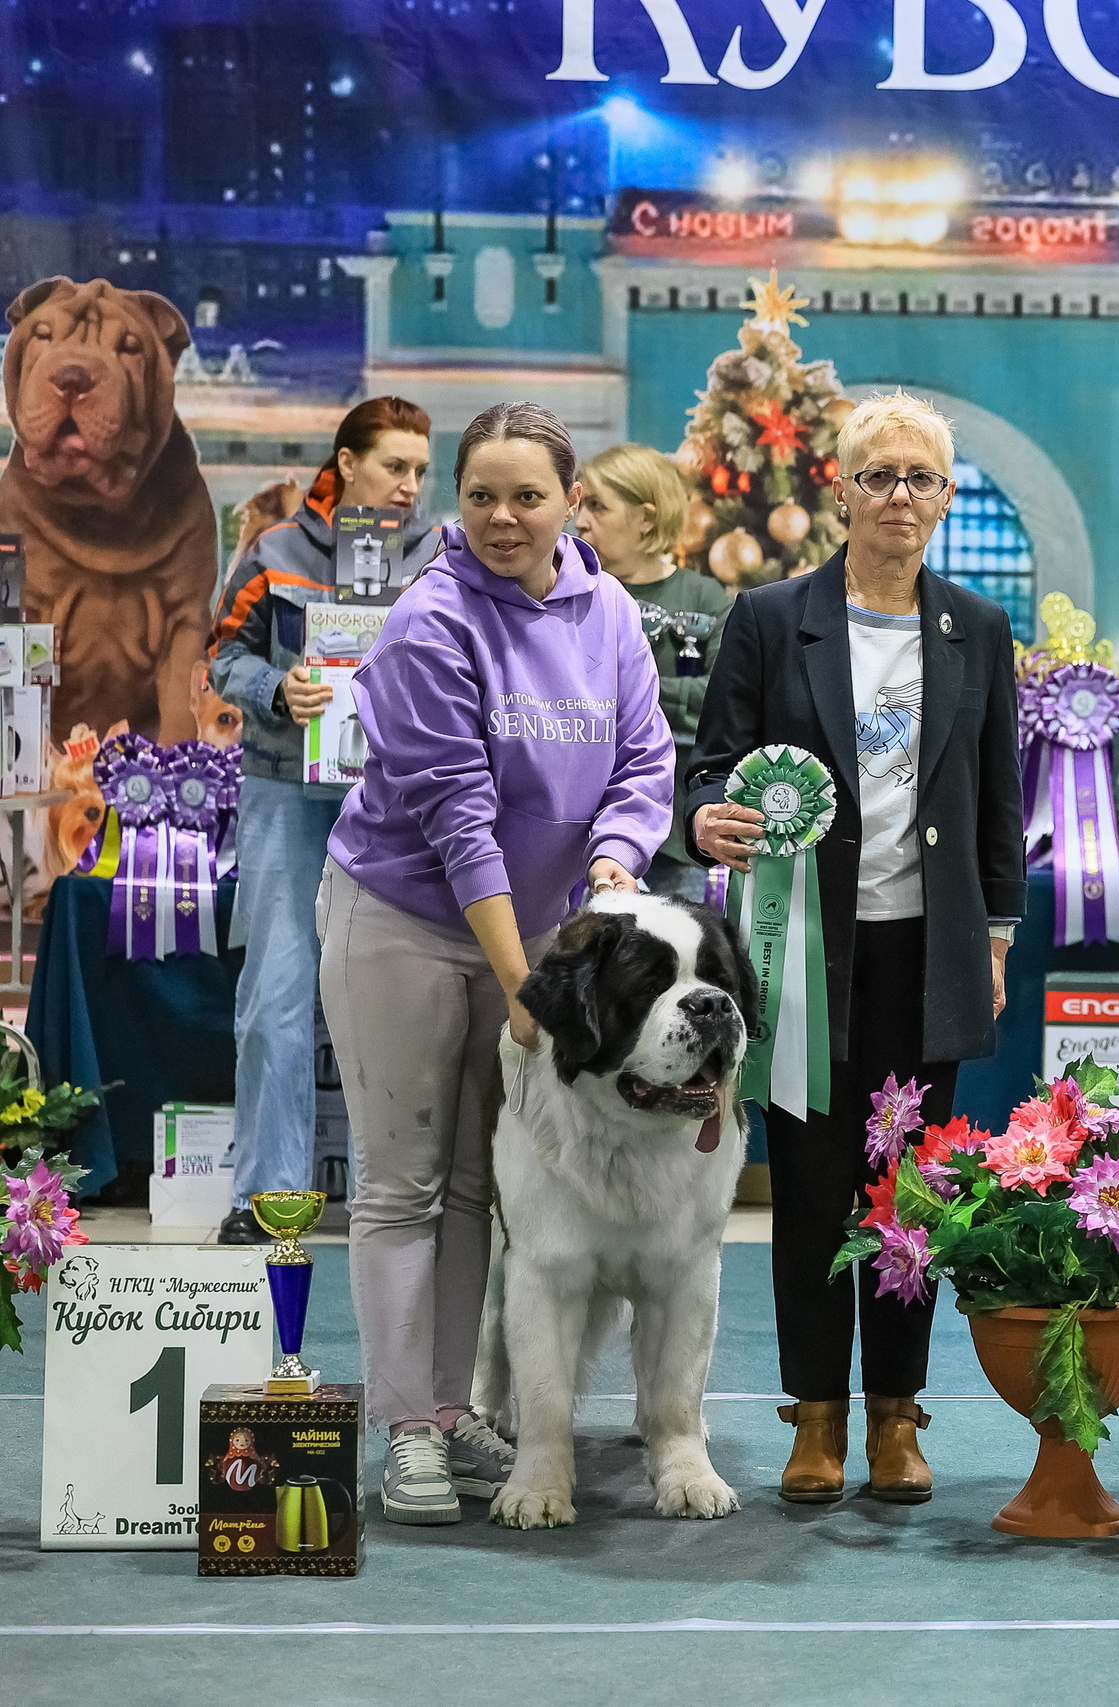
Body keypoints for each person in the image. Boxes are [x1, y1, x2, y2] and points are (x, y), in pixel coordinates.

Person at [318, 401, 673, 1525]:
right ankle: (405, 1428)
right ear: (454, 503)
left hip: (536, 936)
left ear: (575, 500)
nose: (504, 518)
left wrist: (616, 862)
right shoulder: (426, 624)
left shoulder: (610, 610)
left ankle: (450, 1406)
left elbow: (643, 759)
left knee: (479, 1185)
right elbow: (459, 823)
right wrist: (532, 985)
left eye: (529, 496)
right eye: (481, 497)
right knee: (401, 1180)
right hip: (410, 919)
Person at [686, 391, 1024, 1509]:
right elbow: (710, 766)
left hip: (927, 955)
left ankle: (896, 1417)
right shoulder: (771, 618)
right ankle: (814, 1418)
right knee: (813, 1195)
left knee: (906, 1197)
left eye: (919, 478)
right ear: (838, 489)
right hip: (804, 956)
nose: (897, 497)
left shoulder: (976, 628)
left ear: (944, 497)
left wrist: (999, 934)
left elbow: (995, 806)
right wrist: (709, 819)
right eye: (876, 475)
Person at [208, 399, 439, 1247]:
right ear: (346, 464)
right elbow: (220, 654)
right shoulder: (271, 553)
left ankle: (416, 1200)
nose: (411, 485)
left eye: (420, 469)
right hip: (284, 795)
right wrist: (278, 689)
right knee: (274, 998)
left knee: (416, 1002)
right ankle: (266, 1198)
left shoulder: (441, 558)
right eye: (394, 466)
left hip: (405, 807)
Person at [575, 442, 733, 901]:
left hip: (674, 836)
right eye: (580, 505)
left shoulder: (703, 597)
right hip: (578, 832)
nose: (581, 520)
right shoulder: (570, 593)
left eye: (598, 506)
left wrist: (629, 692)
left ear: (645, 518)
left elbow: (720, 700)